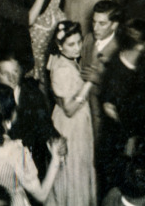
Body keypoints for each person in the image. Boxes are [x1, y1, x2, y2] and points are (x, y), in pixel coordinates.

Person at [45, 21, 96, 206]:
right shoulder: (62, 69)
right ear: (59, 46)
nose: (77, 48)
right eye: (71, 44)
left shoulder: (65, 60)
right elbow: (69, 109)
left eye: (79, 42)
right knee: (74, 171)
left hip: (76, 122)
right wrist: (89, 84)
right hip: (70, 125)